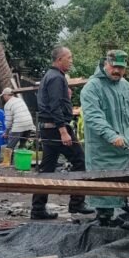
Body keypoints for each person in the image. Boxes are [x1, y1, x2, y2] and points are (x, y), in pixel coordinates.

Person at [79, 50, 129, 225]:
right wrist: (110, 135)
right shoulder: (92, 88)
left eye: (121, 68)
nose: (117, 71)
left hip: (128, 139)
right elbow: (93, 116)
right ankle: (104, 215)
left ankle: (123, 200)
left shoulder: (126, 87)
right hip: (104, 144)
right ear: (106, 64)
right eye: (114, 67)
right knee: (105, 180)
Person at [31, 46, 94, 219]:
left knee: (47, 170)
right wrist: (63, 131)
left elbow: (54, 102)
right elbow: (54, 106)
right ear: (59, 60)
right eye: (69, 57)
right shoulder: (56, 78)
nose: (71, 60)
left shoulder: (50, 77)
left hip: (48, 129)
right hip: (56, 129)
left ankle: (37, 209)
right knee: (80, 162)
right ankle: (77, 203)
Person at [1, 86, 35, 165]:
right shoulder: (19, 100)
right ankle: (21, 162)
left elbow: (9, 122)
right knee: (22, 145)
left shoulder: (8, 104)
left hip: (19, 125)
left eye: (3, 96)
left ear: (6, 95)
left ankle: (6, 162)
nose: (3, 98)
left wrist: (6, 133)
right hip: (29, 124)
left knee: (10, 145)